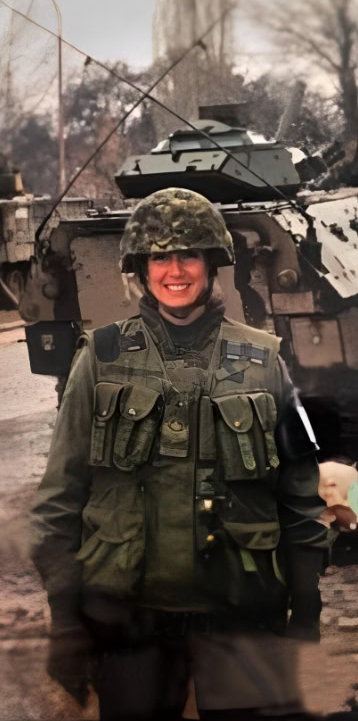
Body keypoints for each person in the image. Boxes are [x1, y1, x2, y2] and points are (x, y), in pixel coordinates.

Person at [31, 187, 330, 721]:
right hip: (130, 618)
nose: (175, 270)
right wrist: (66, 621)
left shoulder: (264, 360)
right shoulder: (99, 358)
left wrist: (305, 605)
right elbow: (59, 501)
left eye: (188, 254)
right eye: (160, 256)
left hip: (241, 614)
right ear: (141, 268)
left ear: (211, 262)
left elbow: (300, 496)